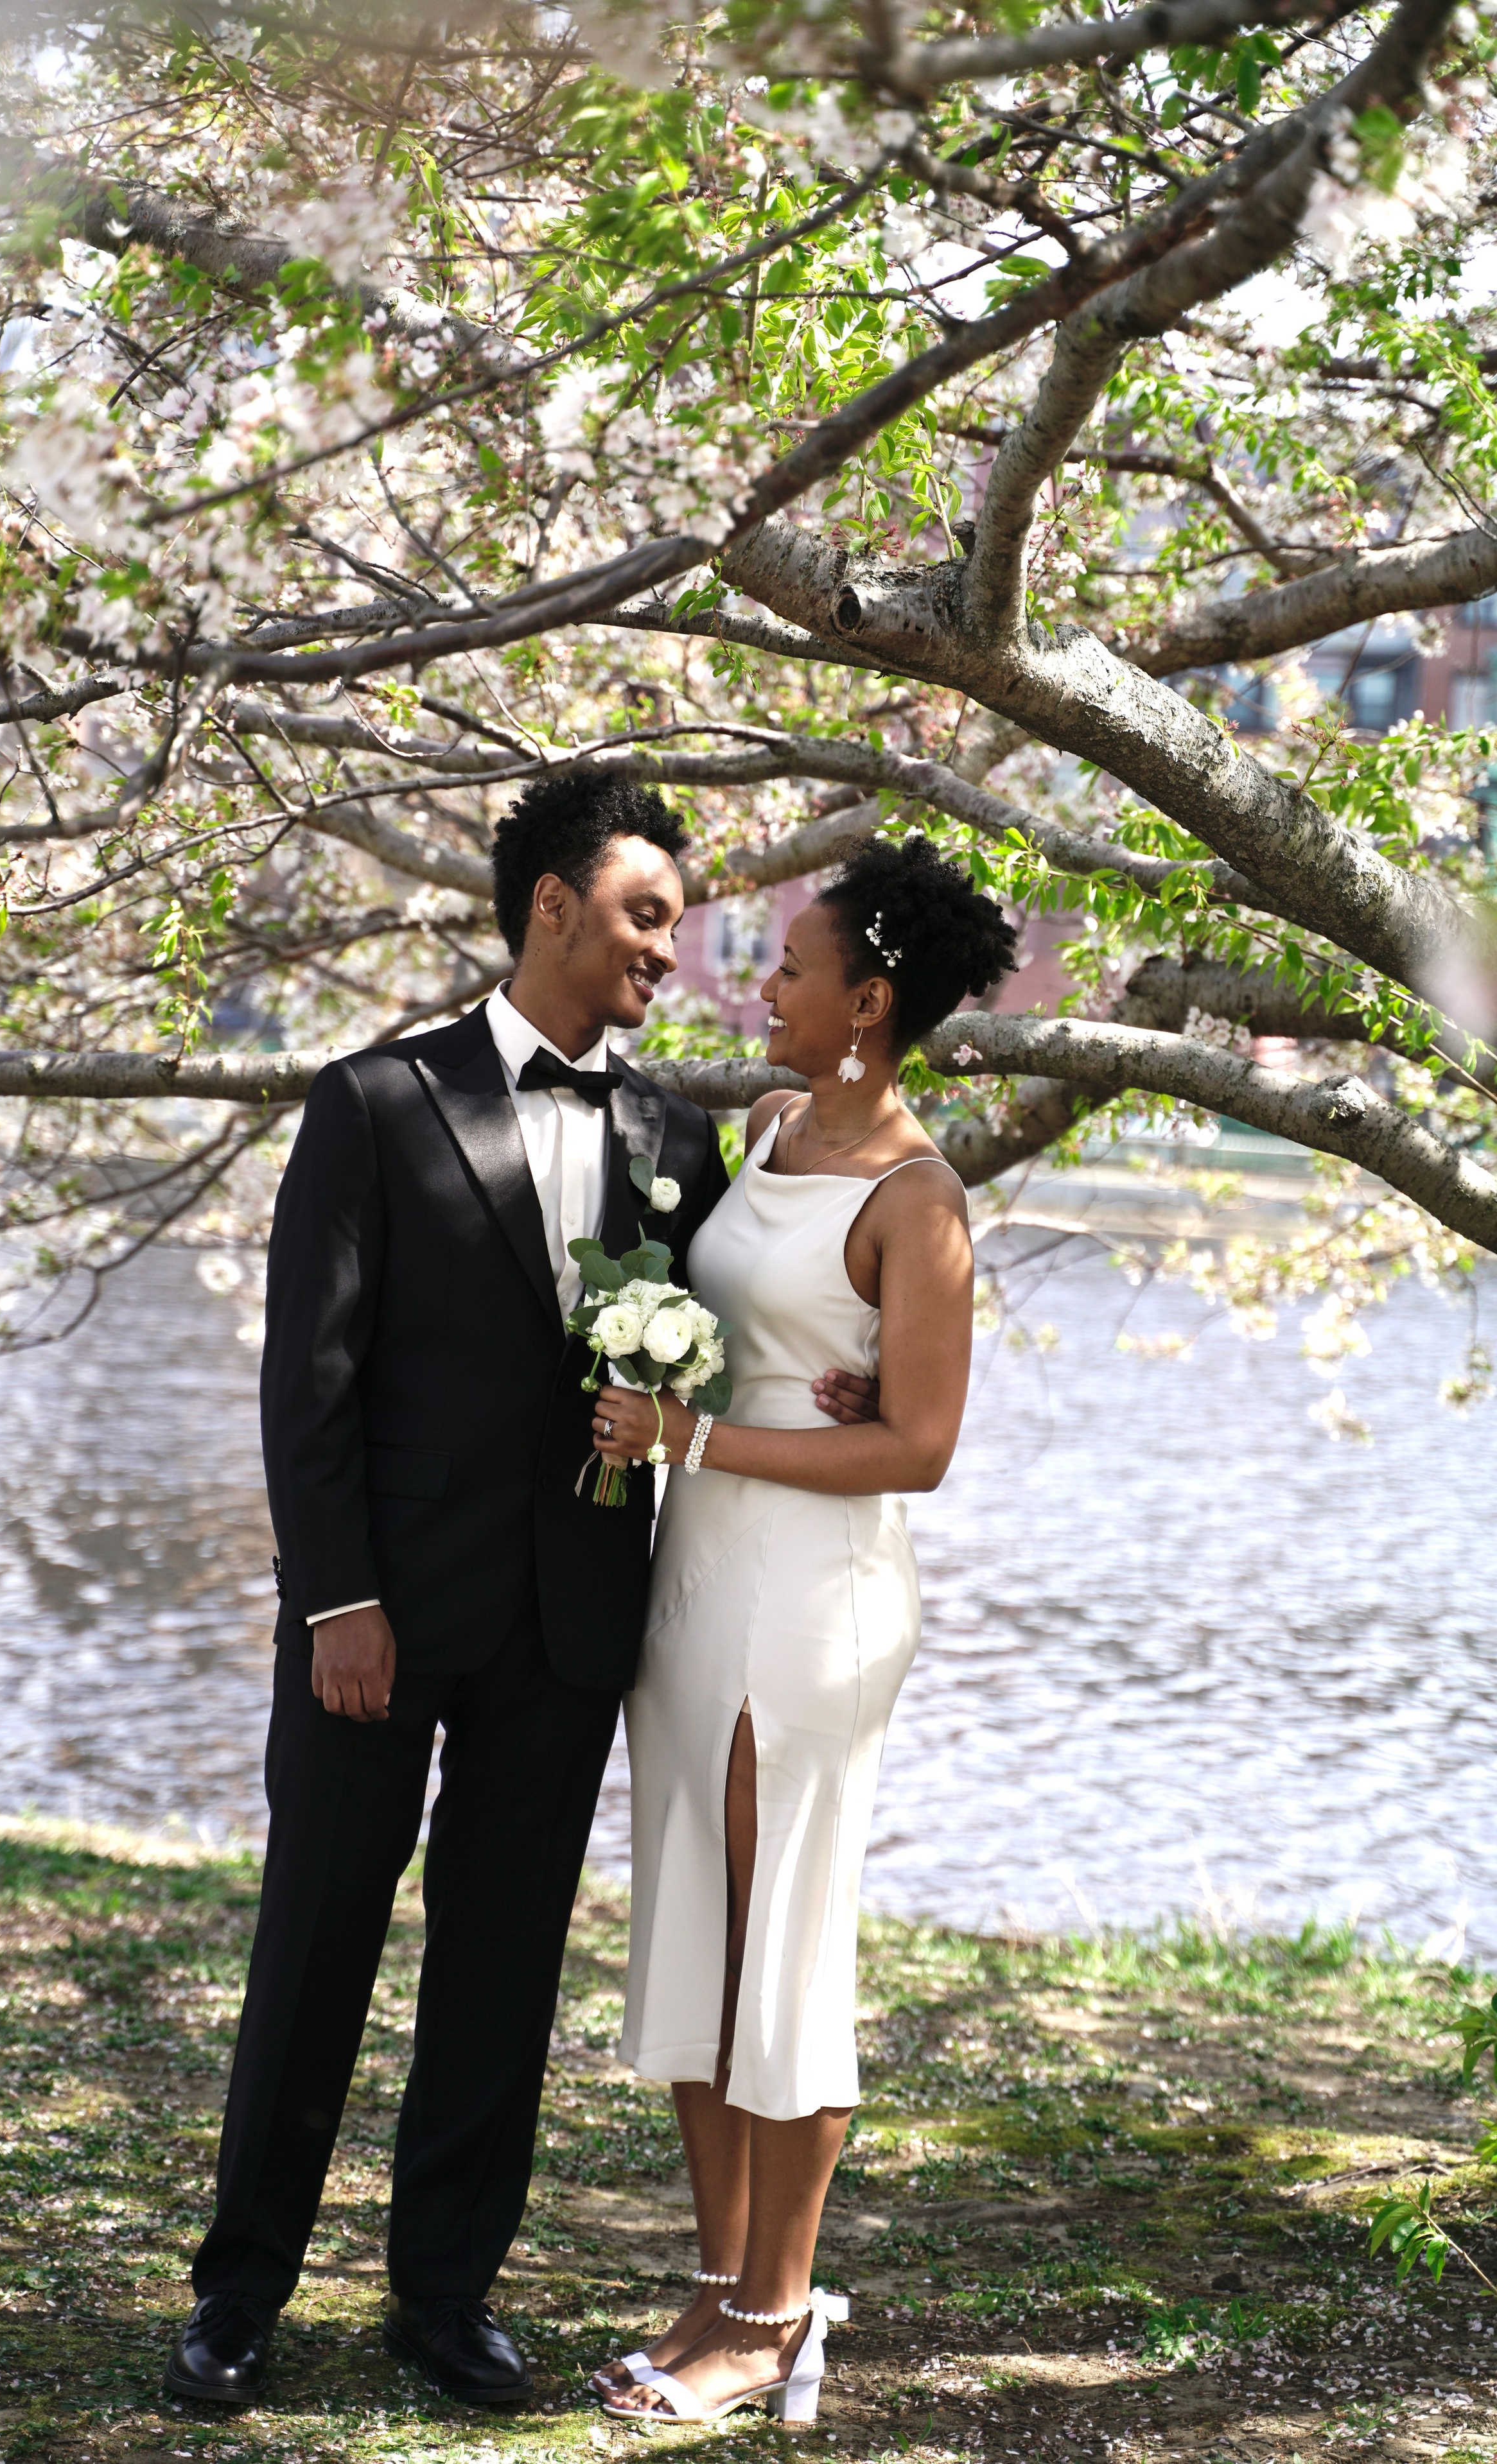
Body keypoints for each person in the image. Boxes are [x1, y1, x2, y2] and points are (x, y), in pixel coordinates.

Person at [162, 776, 875, 2413]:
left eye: (681, 928)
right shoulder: (372, 1102)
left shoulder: (670, 1138)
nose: (667, 951)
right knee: (315, 1946)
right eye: (643, 915)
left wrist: (828, 1389)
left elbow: (745, 1324)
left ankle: (443, 2297)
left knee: (500, 1970)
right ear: (549, 905)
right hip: (380, 1623)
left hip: (567, 1630)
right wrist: (336, 1599)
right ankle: (238, 2293)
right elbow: (307, 1384)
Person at [586, 833, 1016, 2428]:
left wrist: (700, 1436)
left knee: (784, 1941)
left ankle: (774, 2313)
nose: (758, 983)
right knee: (697, 1916)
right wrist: (702, 1392)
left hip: (813, 1589)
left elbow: (914, 1444)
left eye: (788, 964)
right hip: (697, 1570)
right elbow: (747, 1330)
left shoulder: (922, 1200)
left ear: (868, 1001)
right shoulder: (765, 1128)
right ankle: (714, 2281)